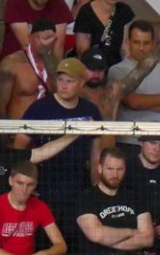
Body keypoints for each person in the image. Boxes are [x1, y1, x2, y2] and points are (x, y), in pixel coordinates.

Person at [16, 54, 97, 226]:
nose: (64, 86)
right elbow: (18, 149)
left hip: (77, 189)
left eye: (70, 81)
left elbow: (96, 155)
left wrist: (95, 190)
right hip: (43, 190)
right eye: (60, 80)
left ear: (81, 83)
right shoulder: (39, 108)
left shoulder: (91, 111)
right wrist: (27, 185)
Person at [0, 158, 62, 255]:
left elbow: (61, 245)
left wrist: (43, 253)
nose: (24, 190)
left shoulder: (40, 207)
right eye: (20, 183)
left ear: (35, 185)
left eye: (29, 185)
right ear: (10, 181)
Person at [72, 143, 149, 255]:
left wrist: (108, 241)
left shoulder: (135, 196)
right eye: (110, 169)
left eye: (119, 169)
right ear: (100, 168)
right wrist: (131, 232)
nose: (115, 175)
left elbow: (147, 239)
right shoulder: (86, 198)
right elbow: (97, 235)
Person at [102, 18, 160, 125]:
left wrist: (143, 102)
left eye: (146, 43)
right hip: (129, 133)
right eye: (136, 42)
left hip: (159, 133)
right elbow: (133, 102)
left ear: (153, 44)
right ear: (128, 42)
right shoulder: (117, 70)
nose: (141, 48)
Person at [0, 16, 54, 121]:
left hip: (47, 127)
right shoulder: (11, 64)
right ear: (30, 38)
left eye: (48, 39)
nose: (43, 43)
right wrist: (5, 130)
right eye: (39, 38)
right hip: (19, 127)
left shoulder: (56, 65)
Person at [2, 0, 69, 59]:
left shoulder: (59, 4)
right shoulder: (15, 2)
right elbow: (27, 45)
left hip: (46, 63)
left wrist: (55, 68)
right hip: (15, 62)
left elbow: (58, 48)